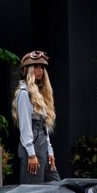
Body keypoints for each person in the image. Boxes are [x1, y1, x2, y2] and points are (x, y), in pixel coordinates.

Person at [14, 50, 59, 182]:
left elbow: (44, 127)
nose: (40, 70)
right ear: (28, 70)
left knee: (56, 184)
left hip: (42, 143)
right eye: (36, 67)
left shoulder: (40, 93)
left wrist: (49, 150)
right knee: (33, 188)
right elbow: (25, 126)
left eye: (42, 67)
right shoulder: (24, 93)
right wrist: (31, 154)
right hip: (32, 145)